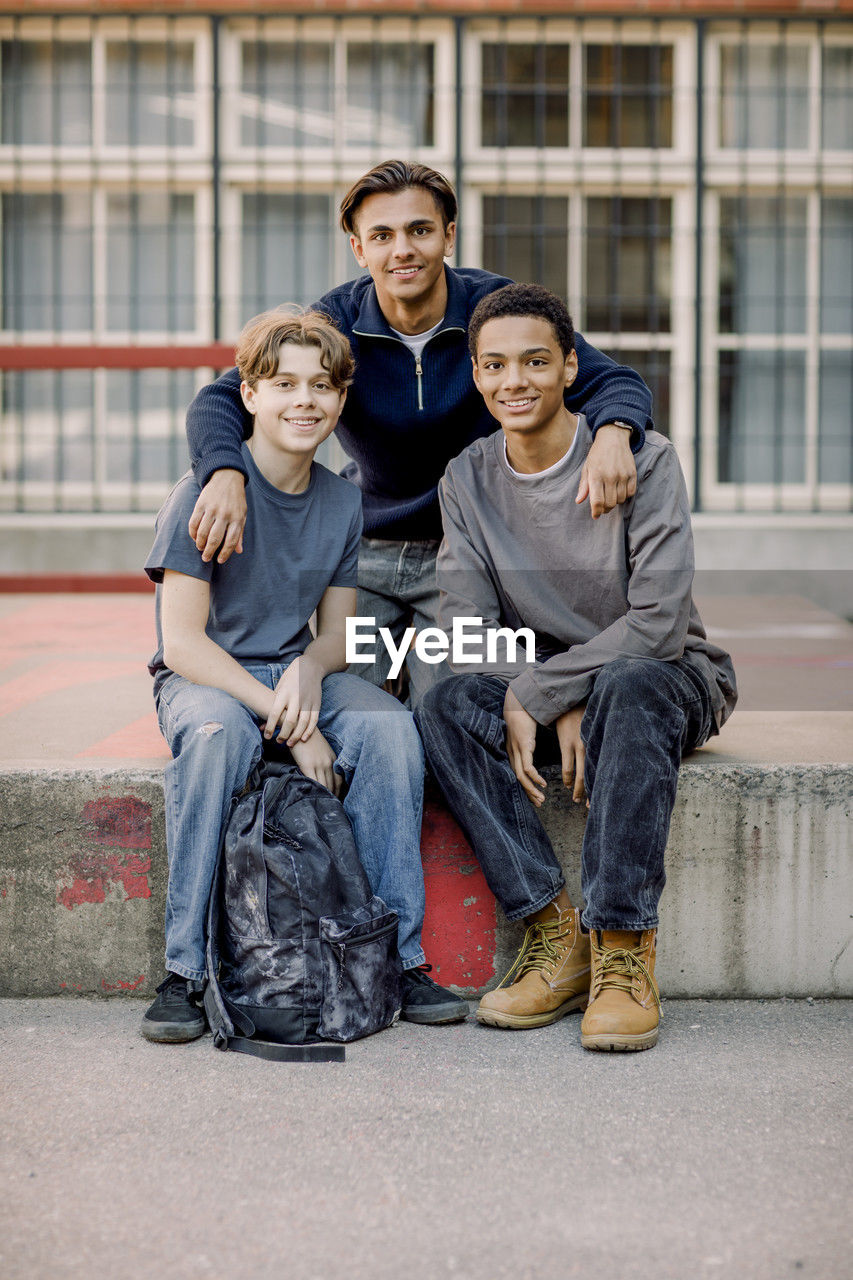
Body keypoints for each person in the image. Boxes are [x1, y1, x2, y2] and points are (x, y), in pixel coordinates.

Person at [183, 160, 653, 704]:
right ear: (359, 250)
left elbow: (616, 381)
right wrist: (223, 472)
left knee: (449, 704)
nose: (401, 249)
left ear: (448, 236)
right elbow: (222, 397)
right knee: (346, 700)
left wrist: (615, 432)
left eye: (420, 230)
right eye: (381, 235)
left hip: (465, 553)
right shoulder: (336, 324)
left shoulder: (494, 313)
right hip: (365, 551)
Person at [414, 284, 737, 1051]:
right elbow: (462, 627)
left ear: (568, 368)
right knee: (440, 705)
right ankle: (551, 931)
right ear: (476, 377)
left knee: (628, 682)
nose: (512, 380)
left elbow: (657, 626)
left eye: (533, 361)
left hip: (669, 674)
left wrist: (544, 688)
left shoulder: (644, 460)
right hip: (553, 675)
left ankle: (622, 945)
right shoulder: (465, 477)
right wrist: (546, 693)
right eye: (493, 365)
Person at [141, 308, 468, 1043]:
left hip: (294, 672)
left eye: (321, 385)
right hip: (209, 679)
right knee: (222, 735)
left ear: (341, 401)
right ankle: (184, 972)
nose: (304, 400)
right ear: (249, 394)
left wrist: (312, 681)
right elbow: (183, 644)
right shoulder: (204, 491)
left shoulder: (342, 499)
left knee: (390, 728)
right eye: (283, 382)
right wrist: (289, 717)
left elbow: (338, 636)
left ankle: (397, 960)